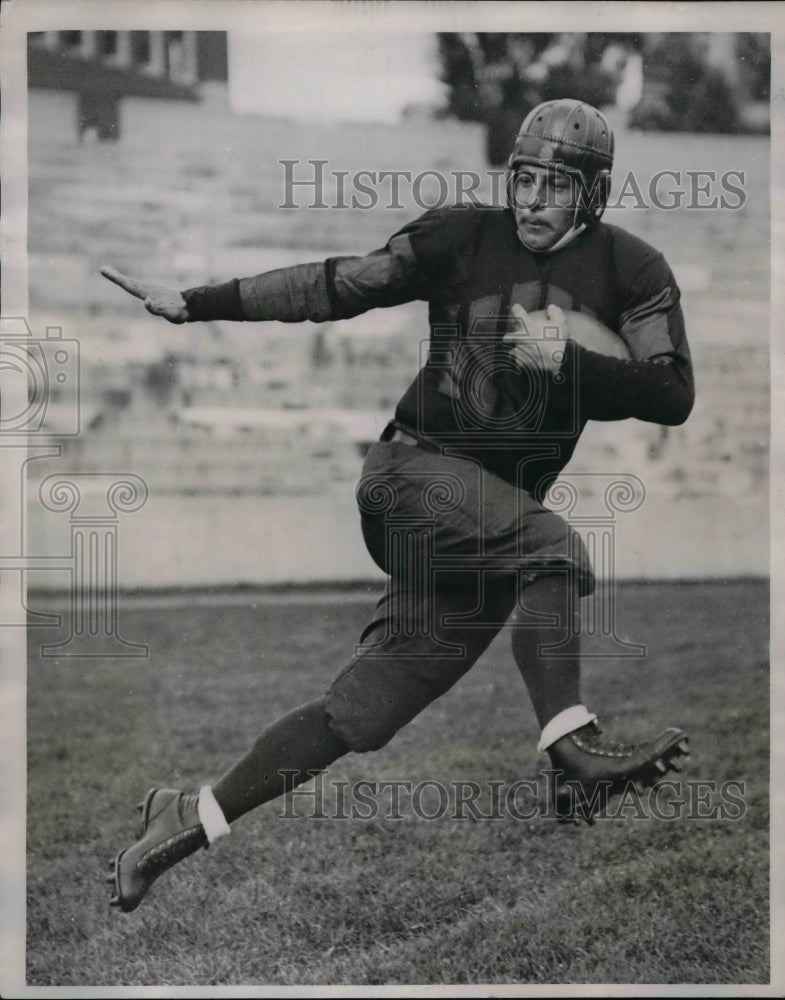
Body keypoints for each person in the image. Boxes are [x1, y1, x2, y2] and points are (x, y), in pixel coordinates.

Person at [103, 98, 693, 914]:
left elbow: (669, 394)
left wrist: (567, 362)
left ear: (590, 193)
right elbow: (338, 283)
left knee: (363, 715)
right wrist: (197, 300)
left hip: (489, 526)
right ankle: (573, 751)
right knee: (553, 550)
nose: (529, 199)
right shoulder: (460, 235)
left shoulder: (633, 269)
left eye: (553, 184)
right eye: (522, 178)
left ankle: (180, 821)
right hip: (411, 475)